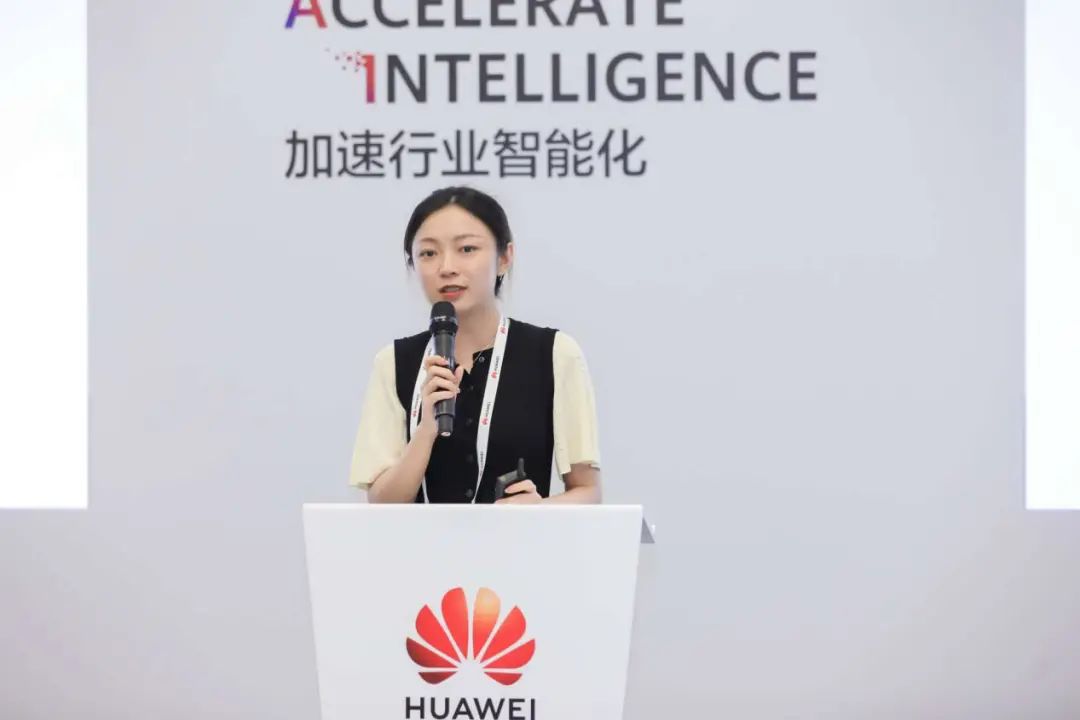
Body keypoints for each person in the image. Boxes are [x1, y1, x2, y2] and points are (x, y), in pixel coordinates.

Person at [348, 186, 602, 504]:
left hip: (521, 538)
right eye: (428, 253)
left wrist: (541, 511)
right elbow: (381, 504)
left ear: (504, 257)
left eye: (467, 249)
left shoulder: (553, 354)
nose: (447, 267)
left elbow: (589, 491)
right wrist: (425, 431)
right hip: (418, 540)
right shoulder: (394, 363)